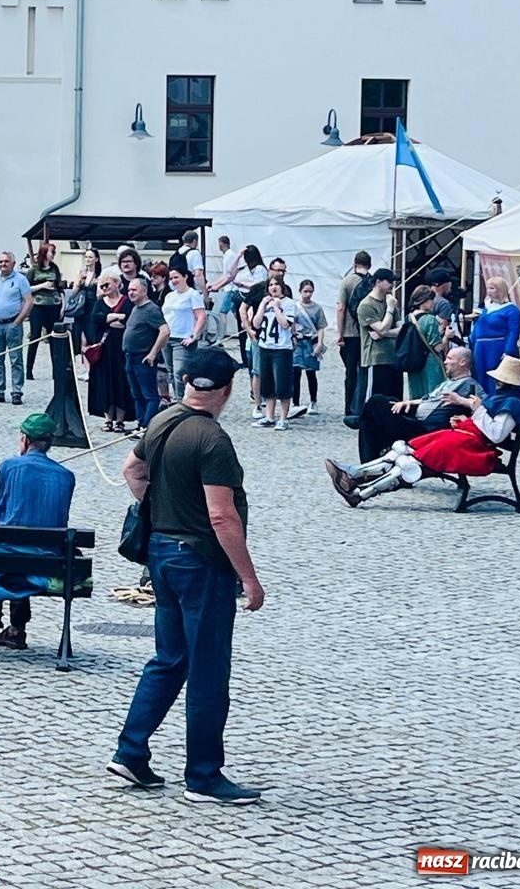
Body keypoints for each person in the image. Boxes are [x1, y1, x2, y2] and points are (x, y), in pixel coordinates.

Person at [109, 347, 266, 805]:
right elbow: (222, 517)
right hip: (201, 562)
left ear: (186, 384)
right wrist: (250, 579)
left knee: (168, 658)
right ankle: (203, 775)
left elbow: (132, 470)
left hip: (161, 553)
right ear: (226, 389)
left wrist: (156, 507)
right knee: (207, 670)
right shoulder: (212, 440)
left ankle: (130, 751)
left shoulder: (162, 421)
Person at [328, 355, 520, 507]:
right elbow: (486, 423)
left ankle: (361, 494)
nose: (497, 381)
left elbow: (495, 434)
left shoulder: (513, 404)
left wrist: (476, 408)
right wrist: (467, 419)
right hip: (464, 438)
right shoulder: (504, 398)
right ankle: (354, 473)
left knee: (412, 463)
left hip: (473, 449)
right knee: (404, 450)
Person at [0, 413, 78, 649]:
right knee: (23, 552)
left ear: (25, 440)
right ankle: (13, 625)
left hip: (10, 556)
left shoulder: (9, 467)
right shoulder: (66, 476)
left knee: (0, 544)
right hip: (48, 557)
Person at [349, 346, 477, 462]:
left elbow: (481, 406)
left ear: (462, 362)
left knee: (377, 401)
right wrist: (407, 402)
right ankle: (367, 470)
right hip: (413, 416)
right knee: (370, 421)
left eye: (449, 358)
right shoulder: (448, 382)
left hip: (424, 429)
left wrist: (460, 400)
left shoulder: (469, 384)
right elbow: (427, 399)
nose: (445, 362)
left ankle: (359, 421)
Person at [349, 268, 404, 420]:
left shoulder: (390, 300)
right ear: (379, 282)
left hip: (393, 356)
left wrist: (384, 334)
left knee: (393, 396)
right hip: (375, 358)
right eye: (389, 281)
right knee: (374, 397)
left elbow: (400, 329)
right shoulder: (366, 305)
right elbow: (381, 327)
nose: (392, 284)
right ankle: (370, 424)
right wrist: (390, 310)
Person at [0, 251, 32, 405]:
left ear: (13, 264)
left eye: (6, 262)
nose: (3, 264)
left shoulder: (20, 280)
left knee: (16, 359)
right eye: (1, 262)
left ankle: (17, 392)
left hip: (12, 324)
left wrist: (18, 321)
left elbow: (29, 301)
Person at [86, 272, 134, 433]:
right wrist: (114, 316)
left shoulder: (127, 302)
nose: (104, 287)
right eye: (102, 285)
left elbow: (127, 321)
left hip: (120, 349)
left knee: (121, 381)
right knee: (104, 381)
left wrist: (109, 318)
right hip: (104, 349)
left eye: (107, 284)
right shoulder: (100, 303)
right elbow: (95, 319)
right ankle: (108, 418)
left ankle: (120, 420)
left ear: (116, 284)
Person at [251, 278, 300, 430]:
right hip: (265, 346)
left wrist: (277, 308)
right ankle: (269, 415)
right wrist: (262, 305)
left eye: (276, 284)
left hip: (282, 349)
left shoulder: (289, 303)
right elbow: (256, 323)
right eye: (270, 285)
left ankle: (283, 418)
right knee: (267, 383)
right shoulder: (265, 303)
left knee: (283, 384)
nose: (273, 287)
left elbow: (286, 324)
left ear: (282, 287)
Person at [123, 277, 167, 430]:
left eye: (134, 290)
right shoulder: (136, 308)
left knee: (149, 395)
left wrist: (153, 353)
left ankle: (147, 426)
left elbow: (165, 331)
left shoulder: (151, 309)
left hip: (143, 357)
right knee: (137, 394)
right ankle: (141, 424)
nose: (130, 293)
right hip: (130, 356)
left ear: (144, 290)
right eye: (129, 290)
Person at [334, 250, 373, 418]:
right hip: (368, 333)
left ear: (354, 264)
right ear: (369, 265)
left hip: (350, 333)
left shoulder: (347, 282)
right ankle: (362, 406)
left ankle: (349, 407)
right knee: (365, 371)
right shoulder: (374, 282)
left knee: (351, 372)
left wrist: (340, 333)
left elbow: (341, 308)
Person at [468, 276, 520, 394]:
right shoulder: (486, 308)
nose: (489, 291)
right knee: (480, 374)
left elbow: (514, 332)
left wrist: (508, 351)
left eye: (492, 288)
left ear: (501, 290)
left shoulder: (511, 310)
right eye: (488, 288)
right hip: (480, 348)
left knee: (495, 375)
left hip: (496, 347)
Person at [161, 267, 207, 401]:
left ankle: (182, 401)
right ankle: (177, 398)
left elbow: (201, 316)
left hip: (182, 339)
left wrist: (194, 335)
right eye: (171, 278)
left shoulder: (192, 294)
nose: (174, 281)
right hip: (167, 338)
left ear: (185, 277)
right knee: (170, 372)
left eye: (176, 277)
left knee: (179, 372)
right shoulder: (169, 296)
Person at [24, 243, 64, 381]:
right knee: (34, 337)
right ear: (44, 253)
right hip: (38, 307)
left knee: (54, 338)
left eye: (54, 252)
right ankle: (29, 370)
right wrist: (42, 285)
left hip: (53, 306)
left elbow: (60, 287)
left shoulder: (55, 269)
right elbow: (26, 289)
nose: (53, 254)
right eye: (50, 252)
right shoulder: (33, 270)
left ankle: (56, 371)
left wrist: (63, 305)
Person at [405, 285, 449, 399]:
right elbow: (437, 347)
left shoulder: (408, 318)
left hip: (413, 361)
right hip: (430, 362)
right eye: (431, 299)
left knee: (416, 393)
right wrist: (446, 337)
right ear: (422, 300)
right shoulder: (429, 319)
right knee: (434, 393)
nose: (433, 303)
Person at [292, 279, 327, 412]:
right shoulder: (295, 307)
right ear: (300, 291)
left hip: (311, 341)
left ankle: (313, 401)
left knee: (311, 373)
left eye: (310, 291)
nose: (308, 294)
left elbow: (321, 327)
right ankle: (295, 402)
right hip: (299, 342)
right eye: (305, 291)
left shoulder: (317, 308)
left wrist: (319, 344)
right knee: (296, 372)